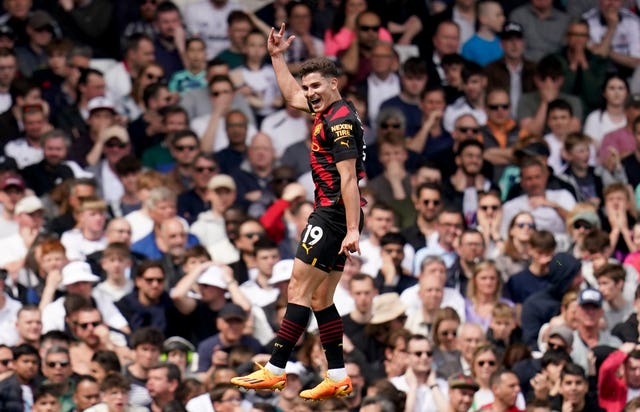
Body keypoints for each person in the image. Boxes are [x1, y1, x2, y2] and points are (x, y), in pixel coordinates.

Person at [231, 23, 365, 401]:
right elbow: (290, 96)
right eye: (308, 88)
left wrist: (351, 228)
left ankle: (275, 370)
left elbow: (349, 179)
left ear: (334, 83)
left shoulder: (338, 124)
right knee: (321, 299)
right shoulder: (336, 110)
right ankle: (337, 375)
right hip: (337, 215)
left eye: (316, 86)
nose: (309, 94)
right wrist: (277, 58)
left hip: (333, 215)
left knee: (297, 289)